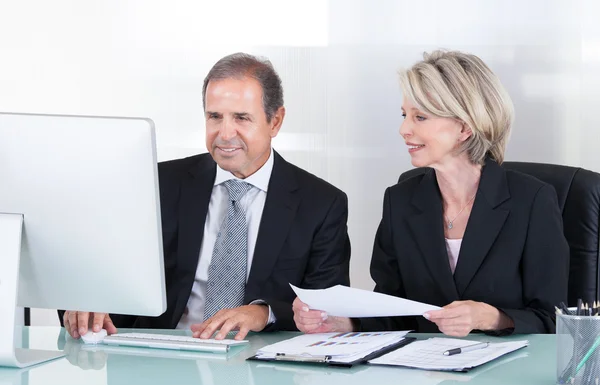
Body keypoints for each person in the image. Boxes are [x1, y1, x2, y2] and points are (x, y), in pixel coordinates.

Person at [61, 53, 351, 340]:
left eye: (241, 118)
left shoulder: (321, 204)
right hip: (164, 357)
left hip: (260, 367)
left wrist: (265, 313)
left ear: (275, 121)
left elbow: (327, 311)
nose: (225, 134)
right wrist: (89, 299)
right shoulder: (157, 184)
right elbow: (104, 266)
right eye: (215, 117)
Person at [293, 50, 569, 336]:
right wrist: (341, 322)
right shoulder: (399, 201)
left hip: (508, 372)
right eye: (404, 115)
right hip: (425, 373)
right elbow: (393, 311)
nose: (403, 129)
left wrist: (491, 317)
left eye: (420, 117)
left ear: (464, 126)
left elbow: (553, 319)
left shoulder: (532, 201)